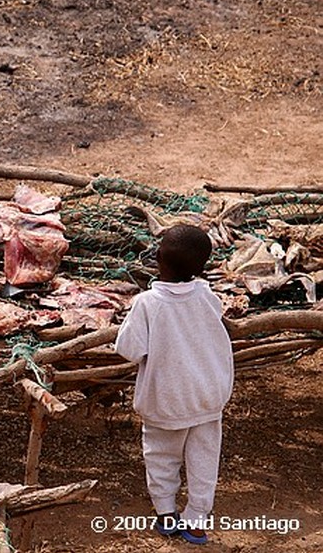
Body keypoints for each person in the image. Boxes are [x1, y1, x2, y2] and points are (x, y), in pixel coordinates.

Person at [115, 224, 233, 545]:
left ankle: (167, 514)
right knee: (204, 462)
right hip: (208, 398)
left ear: (157, 259)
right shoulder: (207, 295)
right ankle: (196, 521)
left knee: (162, 458)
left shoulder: (146, 304)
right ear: (202, 267)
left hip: (166, 400)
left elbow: (129, 350)